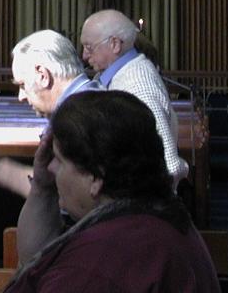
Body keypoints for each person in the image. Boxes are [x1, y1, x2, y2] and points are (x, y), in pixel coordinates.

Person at [1, 91, 220, 293]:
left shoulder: (94, 266)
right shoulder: (158, 217)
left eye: (59, 159)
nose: (49, 168)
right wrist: (42, 188)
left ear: (95, 177)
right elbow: (34, 259)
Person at [0, 30, 102, 263]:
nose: (21, 96)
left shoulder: (78, 116)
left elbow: (66, 195)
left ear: (43, 75)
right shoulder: (91, 101)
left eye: (23, 84)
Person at [80, 10, 187, 183]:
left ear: (115, 44)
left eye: (89, 47)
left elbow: (169, 165)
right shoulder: (116, 74)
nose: (84, 55)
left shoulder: (137, 85)